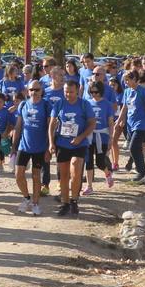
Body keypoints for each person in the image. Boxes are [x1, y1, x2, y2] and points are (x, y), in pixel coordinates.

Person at [49, 80, 96, 216]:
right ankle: (65, 203)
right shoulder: (59, 104)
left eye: (70, 92)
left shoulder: (84, 104)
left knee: (75, 167)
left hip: (79, 143)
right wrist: (51, 143)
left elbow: (92, 123)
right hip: (62, 143)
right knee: (63, 175)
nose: (68, 94)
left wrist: (81, 137)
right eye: (65, 91)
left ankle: (74, 200)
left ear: (77, 91)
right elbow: (51, 124)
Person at [12, 81, 51, 216]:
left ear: (41, 91)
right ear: (27, 91)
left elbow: (49, 128)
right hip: (24, 145)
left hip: (40, 147)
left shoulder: (46, 105)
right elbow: (18, 126)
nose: (34, 92)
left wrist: (48, 148)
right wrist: (13, 146)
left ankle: (35, 203)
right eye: (31, 90)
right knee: (18, 175)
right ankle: (26, 198)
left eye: (37, 89)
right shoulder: (23, 104)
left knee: (36, 176)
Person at [114, 70, 145, 184]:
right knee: (135, 149)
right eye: (125, 80)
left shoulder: (143, 91)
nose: (126, 82)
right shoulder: (127, 92)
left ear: (135, 79)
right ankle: (143, 172)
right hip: (130, 124)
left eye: (128, 80)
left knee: (133, 148)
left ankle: (142, 172)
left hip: (142, 124)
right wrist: (119, 121)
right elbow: (125, 108)